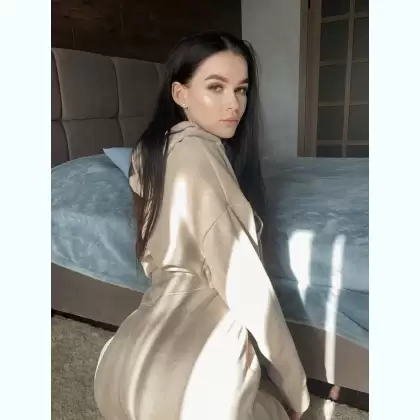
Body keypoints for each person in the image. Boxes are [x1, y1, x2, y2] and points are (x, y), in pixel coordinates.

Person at [94, 31, 310, 420]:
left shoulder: (149, 153)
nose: (234, 104)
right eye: (216, 87)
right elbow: (249, 291)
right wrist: (296, 390)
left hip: (117, 372)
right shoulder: (198, 158)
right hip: (187, 391)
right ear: (180, 94)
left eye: (241, 89)